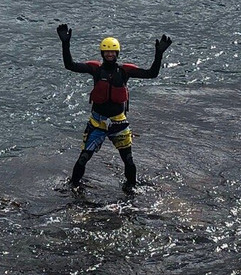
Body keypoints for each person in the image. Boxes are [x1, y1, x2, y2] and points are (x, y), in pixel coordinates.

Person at [57, 23, 172, 191]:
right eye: (106, 52)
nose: (109, 54)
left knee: (128, 160)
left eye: (112, 51)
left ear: (117, 53)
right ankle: (72, 187)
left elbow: (151, 74)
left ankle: (131, 188)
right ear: (102, 53)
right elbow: (70, 65)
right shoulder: (96, 69)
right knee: (83, 158)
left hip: (119, 122)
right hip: (97, 122)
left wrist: (159, 53)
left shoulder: (124, 71)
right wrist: (65, 43)